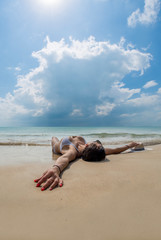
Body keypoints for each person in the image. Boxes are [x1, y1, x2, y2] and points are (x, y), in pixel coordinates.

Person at [34, 136, 139, 191]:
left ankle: (53, 142)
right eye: (98, 144)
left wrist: (55, 169)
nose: (98, 143)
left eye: (96, 143)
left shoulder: (73, 151)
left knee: (53, 138)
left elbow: (65, 158)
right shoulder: (95, 150)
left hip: (56, 146)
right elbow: (115, 150)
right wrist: (129, 145)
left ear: (89, 145)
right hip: (66, 141)